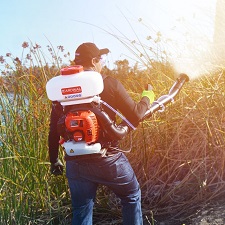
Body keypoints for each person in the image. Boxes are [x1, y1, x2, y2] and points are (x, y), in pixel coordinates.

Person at [48, 42, 155, 225]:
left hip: (75, 161)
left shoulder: (62, 91)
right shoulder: (109, 83)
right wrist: (148, 96)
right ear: (94, 60)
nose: (102, 63)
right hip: (109, 158)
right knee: (131, 195)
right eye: (101, 59)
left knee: (81, 210)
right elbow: (137, 114)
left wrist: (54, 160)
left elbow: (53, 131)